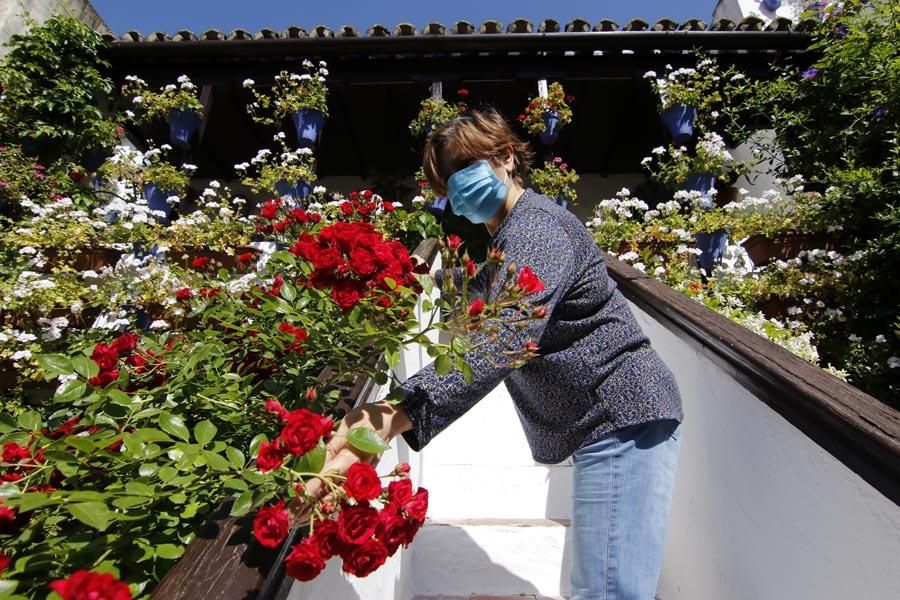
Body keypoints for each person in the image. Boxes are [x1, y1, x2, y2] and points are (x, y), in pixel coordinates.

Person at [307, 107, 684, 600]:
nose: (457, 189)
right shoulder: (512, 237)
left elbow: (505, 337)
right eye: (446, 184)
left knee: (610, 593)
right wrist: (408, 275)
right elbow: (479, 298)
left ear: (506, 157)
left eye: (464, 170)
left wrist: (392, 413)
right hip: (609, 418)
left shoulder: (538, 228)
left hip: (621, 412)